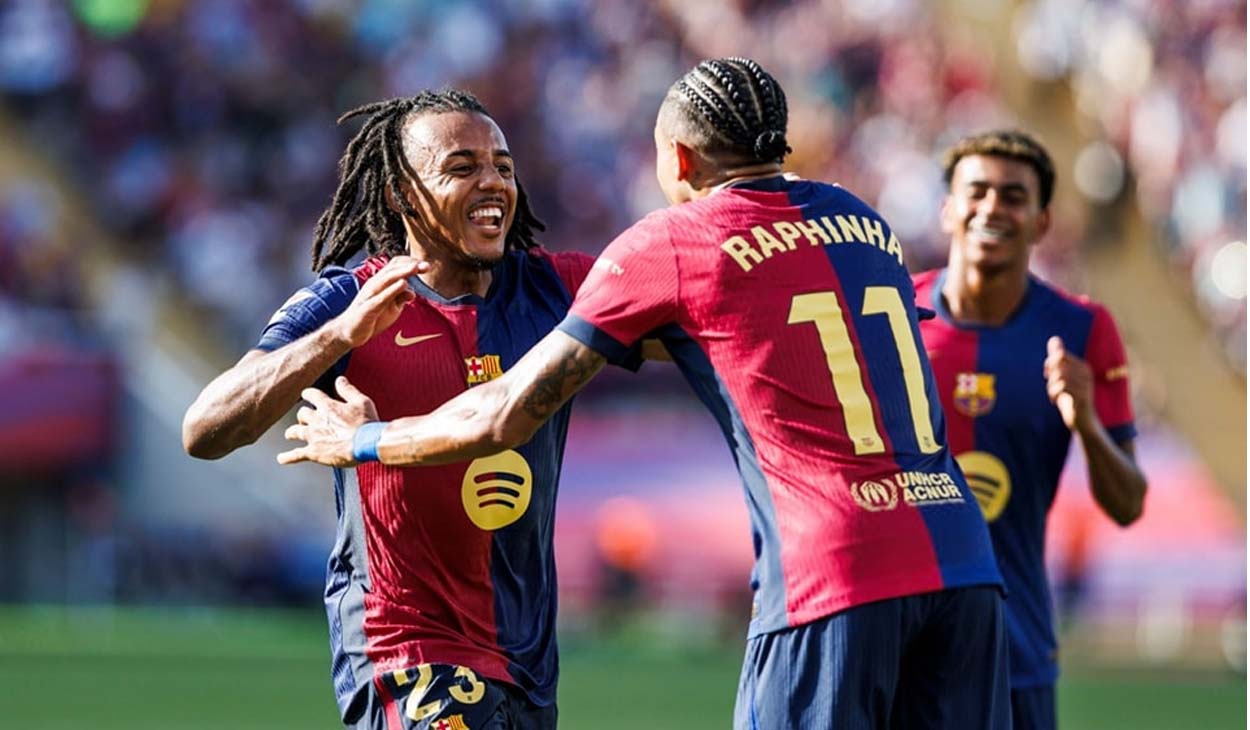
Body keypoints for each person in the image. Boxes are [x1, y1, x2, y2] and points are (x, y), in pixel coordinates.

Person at [279, 58, 1012, 730]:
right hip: (966, 561)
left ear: (680, 159)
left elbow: (503, 412)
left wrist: (360, 442)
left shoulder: (674, 241)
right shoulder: (865, 222)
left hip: (834, 568)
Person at [182, 89, 644, 730]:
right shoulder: (351, 300)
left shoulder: (557, 289)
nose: (493, 183)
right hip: (406, 647)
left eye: (503, 167)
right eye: (462, 168)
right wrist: (340, 335)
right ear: (402, 192)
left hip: (526, 658)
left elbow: (690, 329)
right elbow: (204, 428)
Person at [913, 129, 1147, 730]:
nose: (993, 208)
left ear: (1041, 221)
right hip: (901, 648)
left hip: (1014, 648)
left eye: (1013, 196)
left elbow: (1126, 505)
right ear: (947, 208)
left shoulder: (1082, 329)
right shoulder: (892, 313)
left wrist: (1086, 423)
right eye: (977, 191)